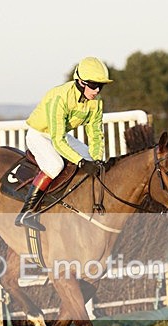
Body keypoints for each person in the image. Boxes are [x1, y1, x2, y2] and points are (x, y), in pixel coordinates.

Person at [14, 56, 113, 231]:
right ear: (81, 82)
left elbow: (96, 135)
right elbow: (58, 140)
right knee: (55, 165)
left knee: (94, 159)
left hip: (59, 136)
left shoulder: (95, 104)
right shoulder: (60, 97)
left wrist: (96, 160)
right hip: (40, 134)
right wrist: (81, 162)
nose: (97, 90)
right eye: (93, 85)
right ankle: (26, 213)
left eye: (101, 86)